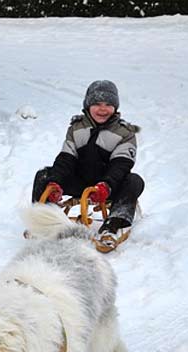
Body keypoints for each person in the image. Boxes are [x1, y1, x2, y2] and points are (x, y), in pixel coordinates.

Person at [31, 80, 144, 239]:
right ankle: (43, 219)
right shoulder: (77, 128)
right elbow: (66, 158)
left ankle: (115, 223)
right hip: (80, 181)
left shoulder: (124, 132)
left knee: (134, 181)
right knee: (44, 175)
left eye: (108, 104)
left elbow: (121, 164)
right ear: (88, 105)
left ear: (115, 107)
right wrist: (56, 181)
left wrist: (107, 185)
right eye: (97, 103)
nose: (103, 109)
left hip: (109, 186)